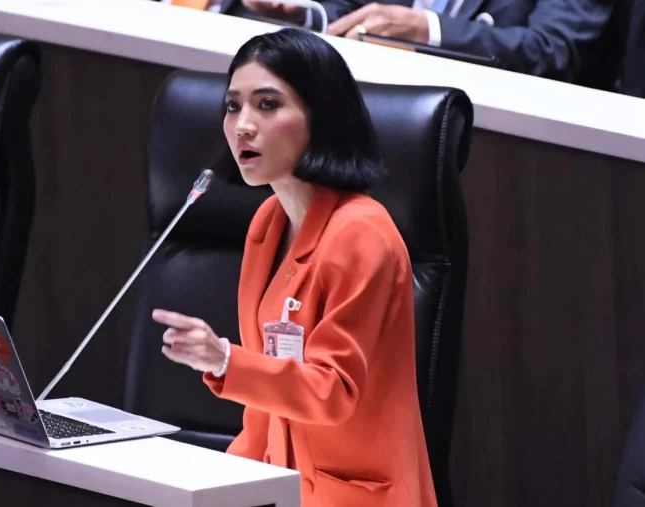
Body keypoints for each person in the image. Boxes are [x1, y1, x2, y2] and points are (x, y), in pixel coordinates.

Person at [151, 28, 436, 507]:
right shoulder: (268, 224)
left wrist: (224, 360)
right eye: (232, 106)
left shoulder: (361, 235)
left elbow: (333, 390)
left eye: (267, 105)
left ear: (321, 117)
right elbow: (265, 407)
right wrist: (225, 487)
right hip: (284, 487)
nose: (242, 125)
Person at [224, 0, 612, 83]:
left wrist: (428, 29)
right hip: (369, 107)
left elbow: (553, 49)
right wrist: (303, 14)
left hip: (499, 147)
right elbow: (355, 8)